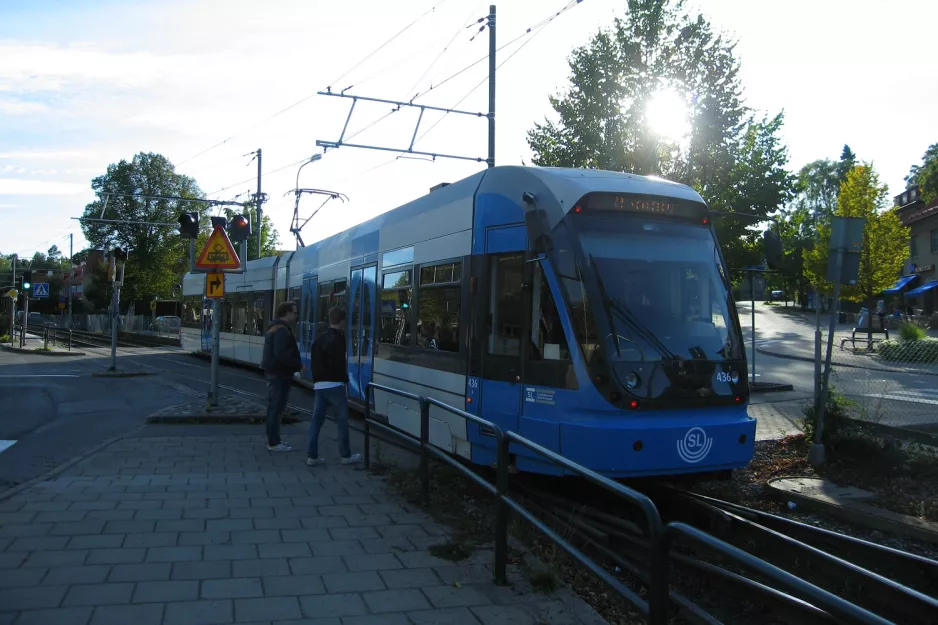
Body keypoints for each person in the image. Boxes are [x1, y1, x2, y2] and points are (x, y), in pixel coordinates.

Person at [307, 306, 362, 466]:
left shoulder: (320, 338)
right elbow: (339, 363)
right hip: (335, 385)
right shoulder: (339, 338)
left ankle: (312, 455)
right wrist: (344, 379)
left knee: (316, 421)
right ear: (343, 321)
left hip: (319, 386)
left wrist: (317, 380)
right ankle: (345, 455)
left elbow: (315, 362)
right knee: (342, 420)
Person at [261, 301, 303, 452]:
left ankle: (273, 439)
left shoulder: (276, 327)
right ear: (287, 313)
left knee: (275, 407)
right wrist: (298, 364)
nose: (296, 316)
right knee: (276, 407)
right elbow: (281, 354)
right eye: (295, 312)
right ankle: (273, 442)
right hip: (279, 373)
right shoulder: (281, 330)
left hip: (276, 372)